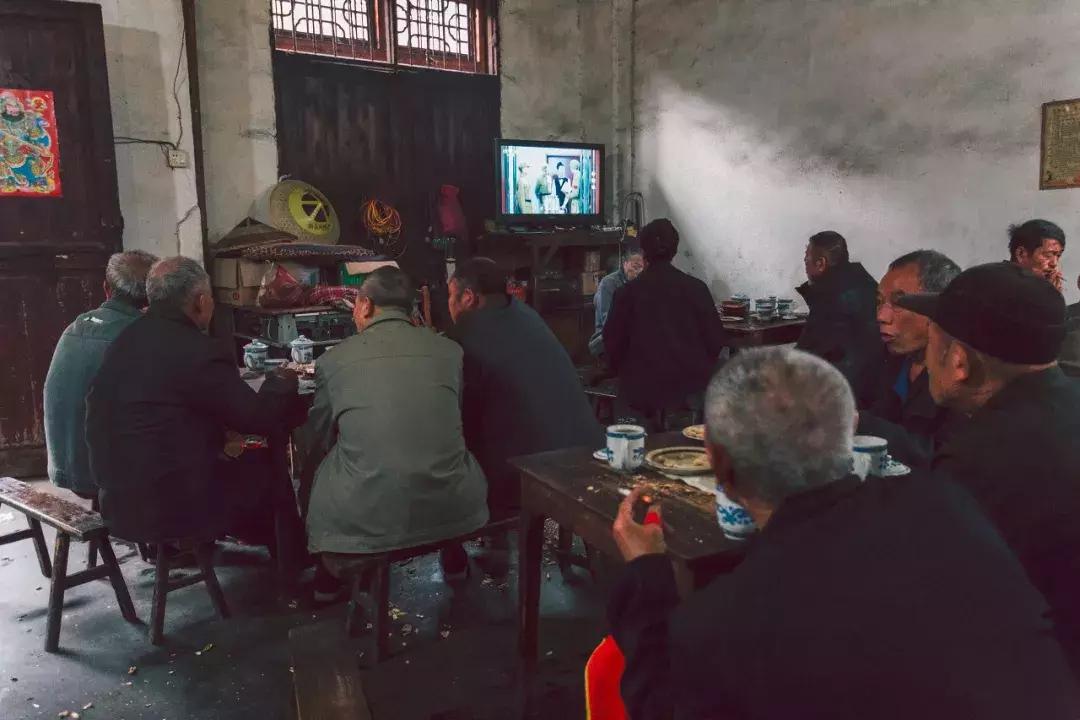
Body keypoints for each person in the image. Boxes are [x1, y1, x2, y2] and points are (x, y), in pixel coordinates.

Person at [608, 347, 1079, 720]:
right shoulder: (943, 501)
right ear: (850, 430)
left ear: (717, 460)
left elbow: (659, 705)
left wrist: (647, 574)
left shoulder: (722, 625)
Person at [897, 261, 1080, 675]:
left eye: (931, 344)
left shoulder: (976, 463)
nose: (928, 360)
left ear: (959, 362)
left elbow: (940, 602)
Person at [86, 257, 305, 548]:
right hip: (169, 512)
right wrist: (280, 381)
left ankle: (257, 540)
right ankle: (294, 562)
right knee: (267, 459)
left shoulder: (125, 340)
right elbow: (257, 418)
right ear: (201, 302)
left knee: (231, 455)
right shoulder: (199, 351)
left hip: (116, 503)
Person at [304, 267, 487, 592]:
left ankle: (327, 579)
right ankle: (453, 554)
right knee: (435, 445)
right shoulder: (449, 352)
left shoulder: (333, 361)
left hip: (367, 522)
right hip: (459, 509)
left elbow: (318, 437)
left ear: (365, 306)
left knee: (324, 467)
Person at [44, 250, 157, 499]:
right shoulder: (142, 335)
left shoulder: (75, 326)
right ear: (154, 295)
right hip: (106, 477)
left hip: (64, 469)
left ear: (106, 289)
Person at [603, 219, 728, 427]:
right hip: (689, 393)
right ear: (675, 250)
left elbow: (612, 346)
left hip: (639, 394)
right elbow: (715, 342)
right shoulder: (697, 289)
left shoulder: (626, 294)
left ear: (644, 252)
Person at [857, 250, 961, 468]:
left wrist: (861, 423)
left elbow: (944, 457)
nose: (881, 316)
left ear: (936, 308)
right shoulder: (886, 357)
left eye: (899, 302)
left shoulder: (962, 375)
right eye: (879, 301)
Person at [795, 230, 883, 407]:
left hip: (848, 392)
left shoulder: (830, 297)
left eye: (807, 260)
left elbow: (807, 352)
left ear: (821, 264)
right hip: (877, 385)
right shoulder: (866, 283)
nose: (805, 264)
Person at [588, 249, 644, 357]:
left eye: (641, 268)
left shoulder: (641, 283)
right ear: (624, 263)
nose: (638, 272)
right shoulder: (608, 283)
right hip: (607, 337)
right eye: (635, 267)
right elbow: (608, 321)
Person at [1008, 218, 1065, 292]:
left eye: (1058, 255)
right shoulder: (1002, 285)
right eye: (1048, 255)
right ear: (1021, 254)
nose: (1054, 263)